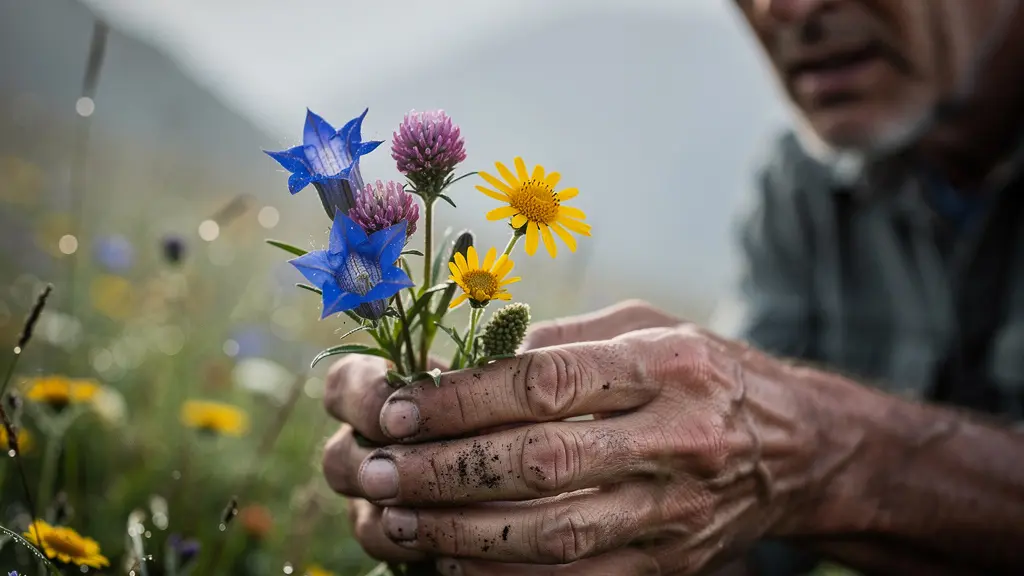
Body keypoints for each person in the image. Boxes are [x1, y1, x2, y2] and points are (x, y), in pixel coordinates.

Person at [319, 1, 1024, 574]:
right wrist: (605, 512)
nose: (787, 9)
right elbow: (740, 523)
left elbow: (773, 454)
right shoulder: (802, 182)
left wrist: (815, 448)